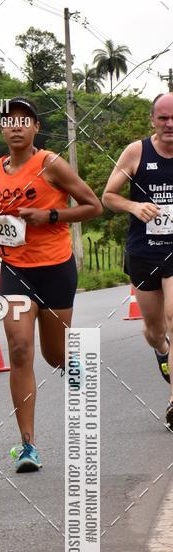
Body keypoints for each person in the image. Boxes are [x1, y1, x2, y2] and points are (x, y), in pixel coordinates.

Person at [0, 97, 102, 472]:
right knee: (19, 350)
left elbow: (94, 206)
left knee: (54, 354)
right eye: (9, 120)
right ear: (2, 129)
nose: (16, 126)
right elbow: (5, 220)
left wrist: (49, 215)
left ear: (36, 128)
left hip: (55, 269)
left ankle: (72, 362)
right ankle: (27, 445)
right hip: (15, 270)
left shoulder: (51, 163)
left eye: (24, 120)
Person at [102, 92, 173, 429]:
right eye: (163, 118)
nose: (169, 124)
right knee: (155, 330)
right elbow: (108, 196)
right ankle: (162, 351)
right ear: (152, 120)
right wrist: (134, 206)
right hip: (144, 252)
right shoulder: (136, 152)